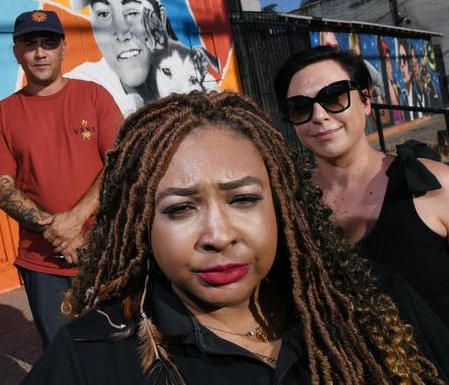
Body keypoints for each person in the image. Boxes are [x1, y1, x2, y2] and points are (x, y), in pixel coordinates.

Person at [24, 91, 449, 384]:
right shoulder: (89, 357)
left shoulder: (374, 300)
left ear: (282, 207)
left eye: (243, 200)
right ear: (142, 227)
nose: (219, 236)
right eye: (180, 209)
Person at [274, 46, 449, 327]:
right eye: (301, 107)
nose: (318, 116)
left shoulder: (436, 184)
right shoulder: (289, 205)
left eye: (333, 97)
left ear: (366, 101)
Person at [0, 9, 123, 348]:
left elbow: (120, 164)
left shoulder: (94, 96)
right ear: (17, 51)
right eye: (30, 44)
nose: (40, 52)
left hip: (108, 253)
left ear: (63, 49)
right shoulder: (2, 115)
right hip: (43, 264)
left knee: (123, 354)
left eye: (49, 43)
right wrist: (59, 233)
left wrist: (75, 221)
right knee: (65, 359)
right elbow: (3, 189)